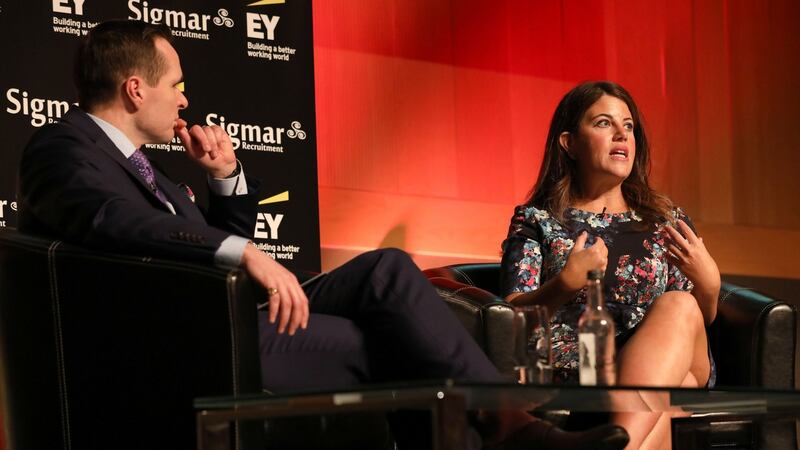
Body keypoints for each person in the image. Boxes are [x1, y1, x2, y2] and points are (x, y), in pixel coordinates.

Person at [17, 21, 629, 450]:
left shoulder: (151, 175)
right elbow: (113, 223)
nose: (185, 97)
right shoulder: (64, 148)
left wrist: (226, 179)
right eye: (176, 83)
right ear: (134, 88)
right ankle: (514, 428)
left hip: (226, 321)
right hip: (176, 348)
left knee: (388, 270)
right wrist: (245, 250)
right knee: (398, 344)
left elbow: (200, 251)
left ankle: (511, 426)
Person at [500, 81, 721, 449]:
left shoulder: (666, 219)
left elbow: (695, 322)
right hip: (582, 369)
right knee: (670, 398)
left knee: (681, 304)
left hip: (662, 356)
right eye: (604, 123)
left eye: (629, 126)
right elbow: (507, 321)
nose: (622, 133)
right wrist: (564, 284)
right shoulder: (539, 220)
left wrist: (709, 287)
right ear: (569, 142)